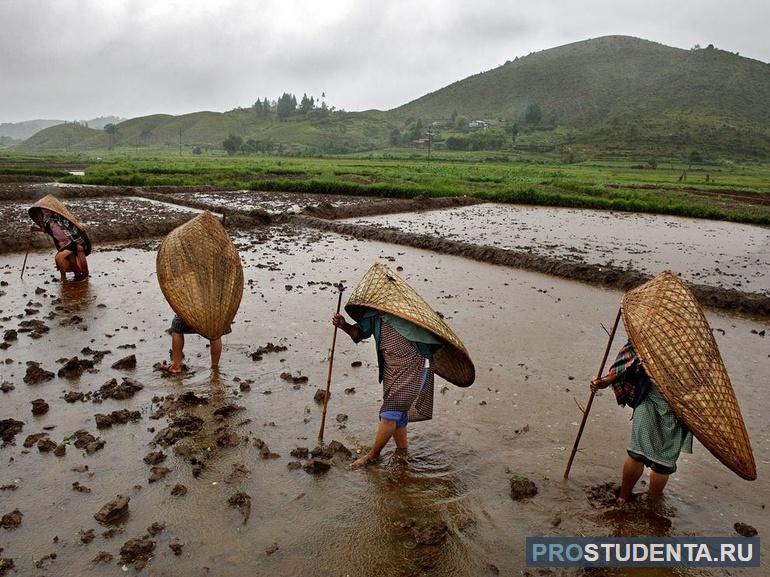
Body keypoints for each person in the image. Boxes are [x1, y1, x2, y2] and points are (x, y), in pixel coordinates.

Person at [332, 310, 443, 469]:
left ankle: (372, 457)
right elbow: (359, 332)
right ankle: (402, 454)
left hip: (415, 366)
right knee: (398, 416)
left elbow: (433, 339)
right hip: (392, 369)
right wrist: (343, 325)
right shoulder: (375, 315)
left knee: (390, 414)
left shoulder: (409, 313)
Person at [591, 340, 693, 505]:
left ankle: (635, 499)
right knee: (647, 457)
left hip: (674, 408)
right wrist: (605, 381)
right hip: (659, 402)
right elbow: (628, 360)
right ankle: (638, 501)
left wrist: (607, 380)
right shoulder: (691, 347)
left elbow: (627, 361)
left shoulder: (652, 335)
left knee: (654, 460)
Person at [30, 208, 89, 281]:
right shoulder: (48, 221)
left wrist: (79, 242)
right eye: (44, 211)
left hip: (71, 242)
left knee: (59, 258)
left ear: (52, 210)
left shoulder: (61, 218)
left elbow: (74, 228)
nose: (46, 212)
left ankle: (64, 278)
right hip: (62, 245)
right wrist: (35, 229)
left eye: (47, 211)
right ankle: (78, 277)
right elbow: (46, 230)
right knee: (72, 261)